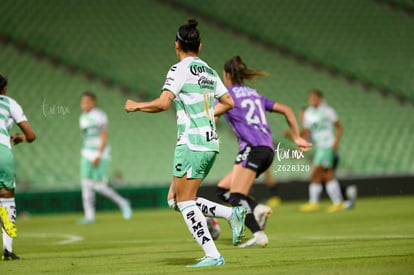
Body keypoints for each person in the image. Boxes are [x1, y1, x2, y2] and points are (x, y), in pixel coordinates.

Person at [125, 19, 246, 268]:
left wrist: (136, 105)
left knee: (185, 202)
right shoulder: (209, 71)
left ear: (176, 45)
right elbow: (229, 102)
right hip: (210, 143)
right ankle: (230, 213)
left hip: (191, 143)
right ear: (200, 46)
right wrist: (208, 115)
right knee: (175, 199)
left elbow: (162, 103)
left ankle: (213, 254)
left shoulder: (179, 69)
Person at [214, 56, 312, 247]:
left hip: (252, 149)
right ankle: (257, 209)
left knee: (235, 197)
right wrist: (297, 137)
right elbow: (286, 109)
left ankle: (258, 233)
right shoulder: (254, 94)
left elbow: (212, 115)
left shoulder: (227, 95)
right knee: (222, 190)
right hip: (267, 150)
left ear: (226, 75)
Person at [79, 92, 132, 224]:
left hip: (100, 153)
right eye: (83, 102)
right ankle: (89, 216)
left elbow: (103, 136)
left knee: (99, 186)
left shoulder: (99, 115)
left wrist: (98, 154)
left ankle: (123, 202)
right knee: (85, 183)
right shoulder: (82, 118)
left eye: (87, 101)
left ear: (93, 102)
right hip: (86, 153)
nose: (84, 104)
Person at [0, 74, 36, 260]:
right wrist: (19, 138)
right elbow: (30, 135)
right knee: (6, 197)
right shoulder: (9, 103)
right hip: (3, 151)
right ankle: (8, 249)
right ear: (4, 89)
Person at [299, 89, 351, 213]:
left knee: (317, 174)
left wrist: (336, 142)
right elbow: (307, 132)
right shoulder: (308, 113)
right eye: (310, 98)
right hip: (319, 147)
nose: (312, 100)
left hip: (328, 145)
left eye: (314, 98)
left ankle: (317, 203)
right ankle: (335, 203)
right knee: (326, 175)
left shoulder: (328, 111)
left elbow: (339, 127)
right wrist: (299, 139)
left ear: (320, 99)